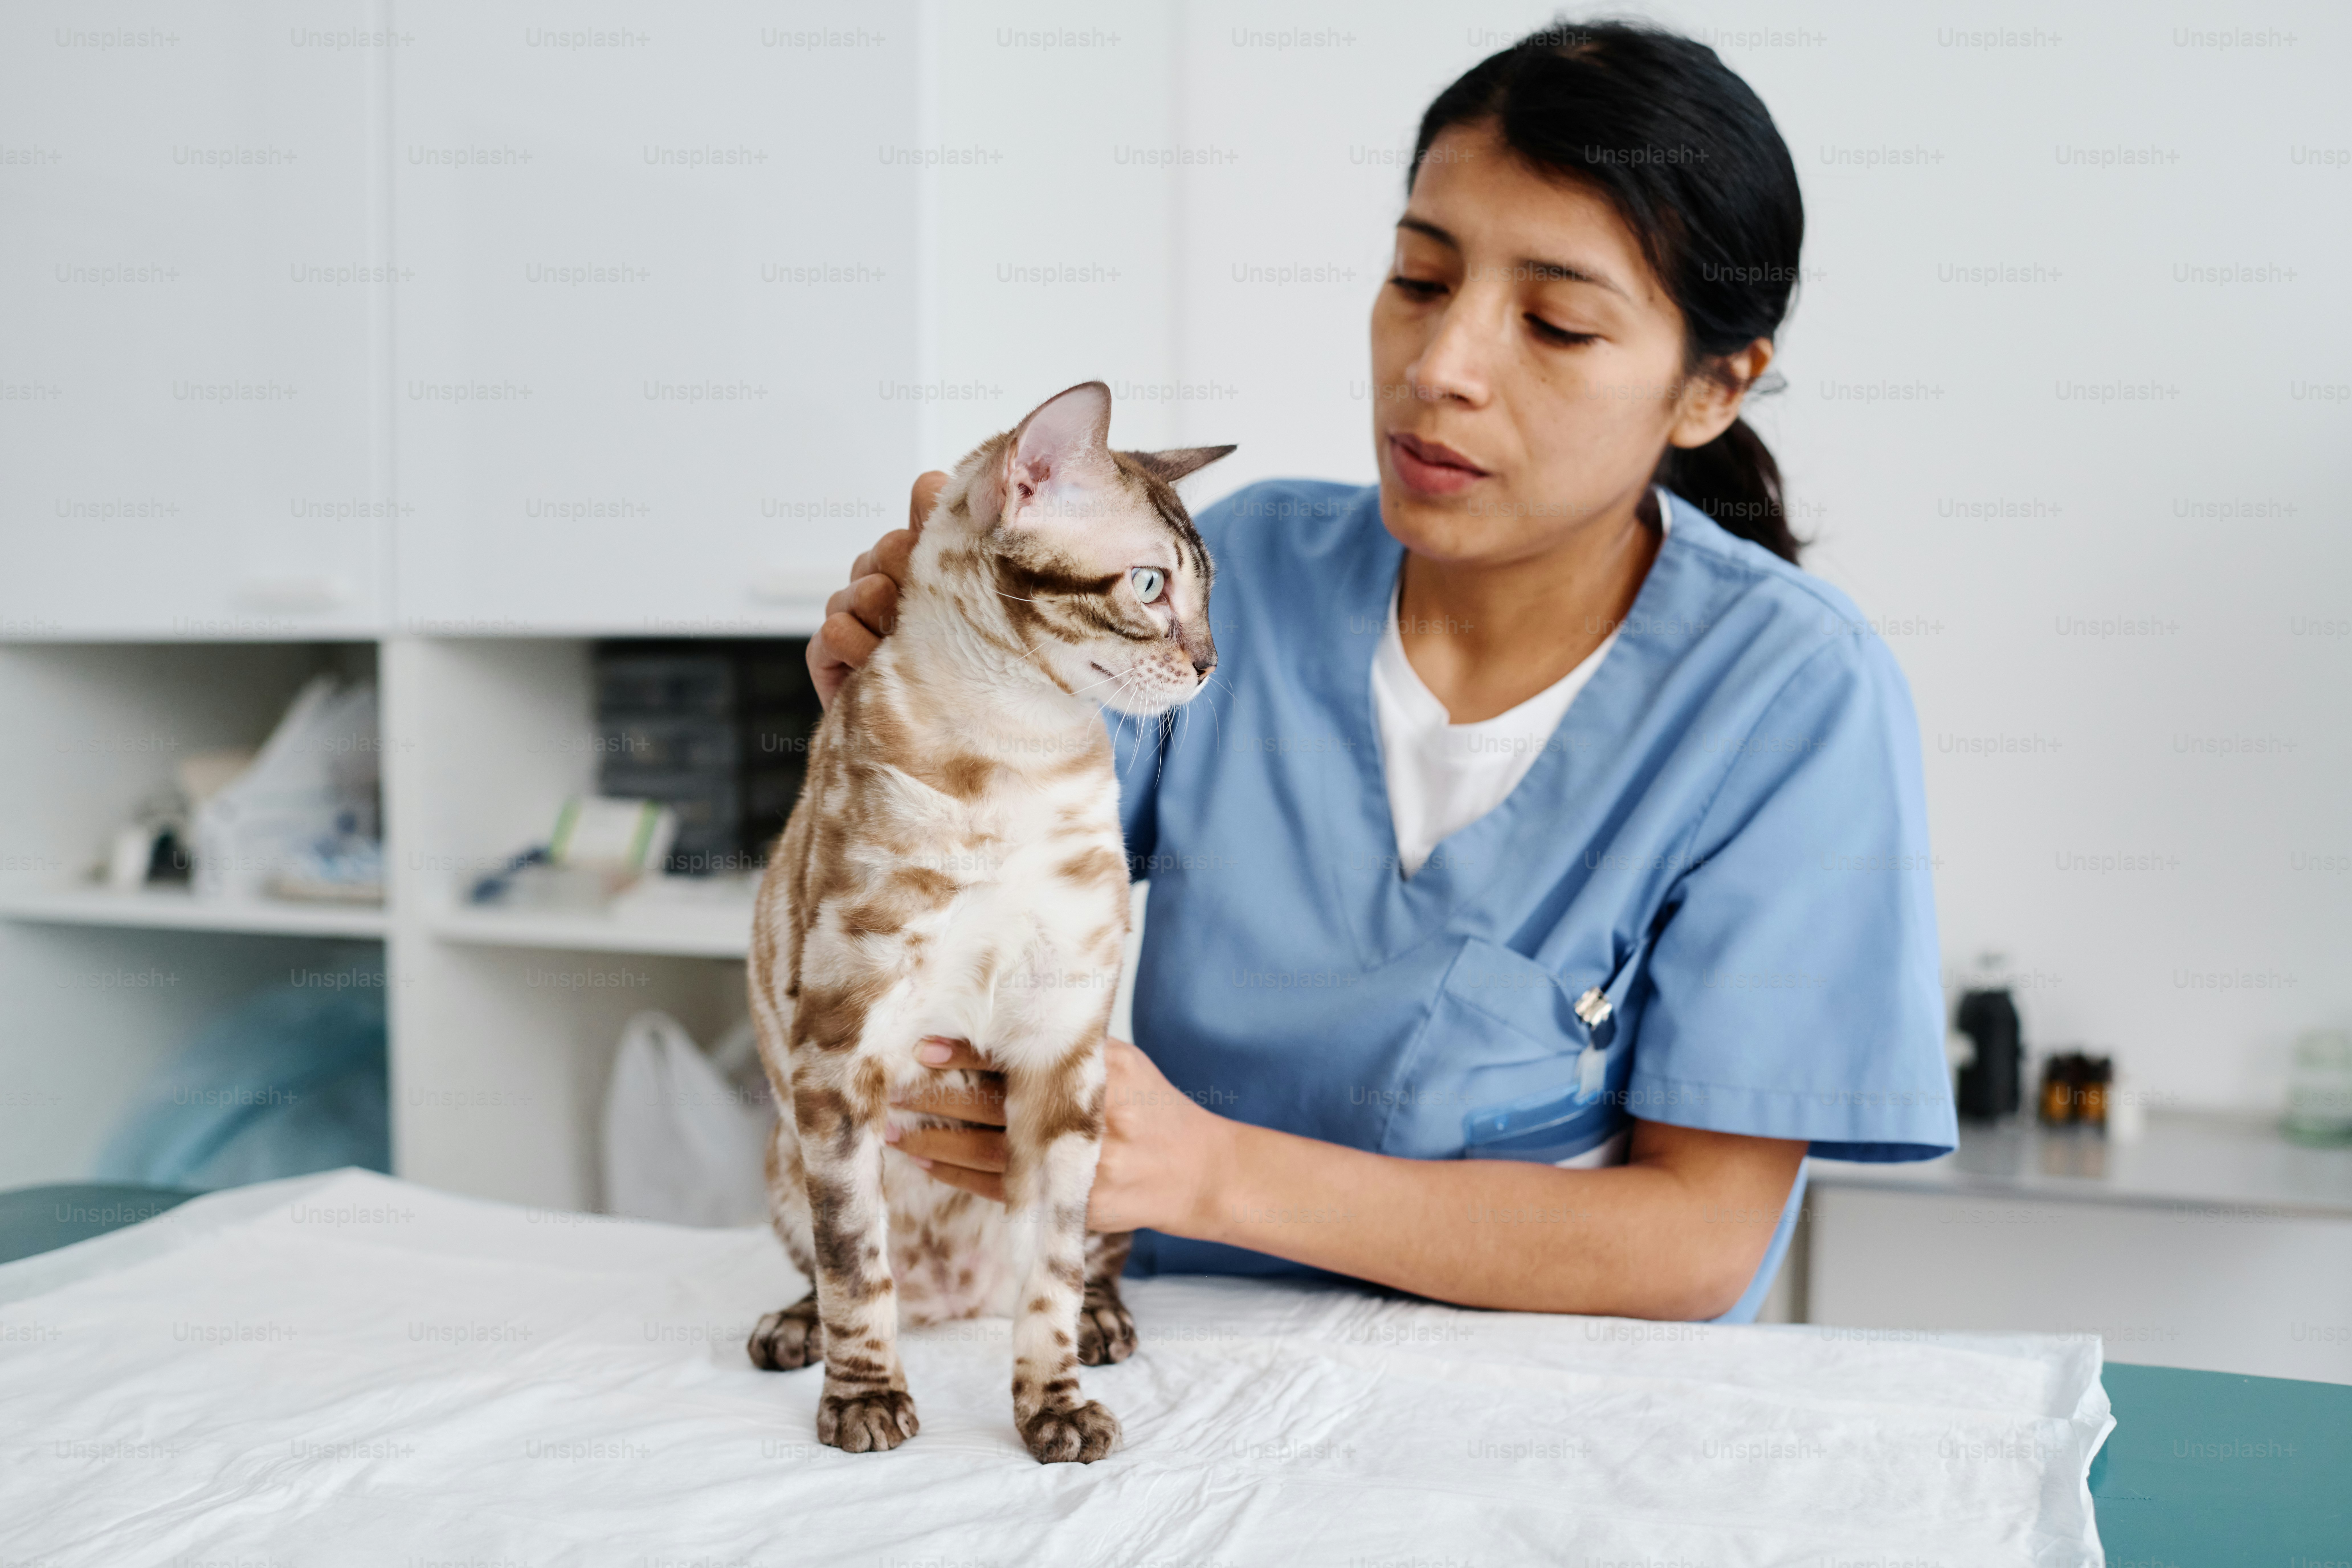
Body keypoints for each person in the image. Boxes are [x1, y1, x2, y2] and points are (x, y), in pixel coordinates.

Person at [804, 21, 1954, 1323]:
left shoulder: (1791, 696)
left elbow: (1695, 1242)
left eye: (1557, 323)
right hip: (1184, 1372)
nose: (1440, 368)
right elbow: (988, 856)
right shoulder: (1226, 575)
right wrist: (911, 695)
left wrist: (1210, 1174)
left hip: (1549, 1423)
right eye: (1420, 278)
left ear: (1710, 390)